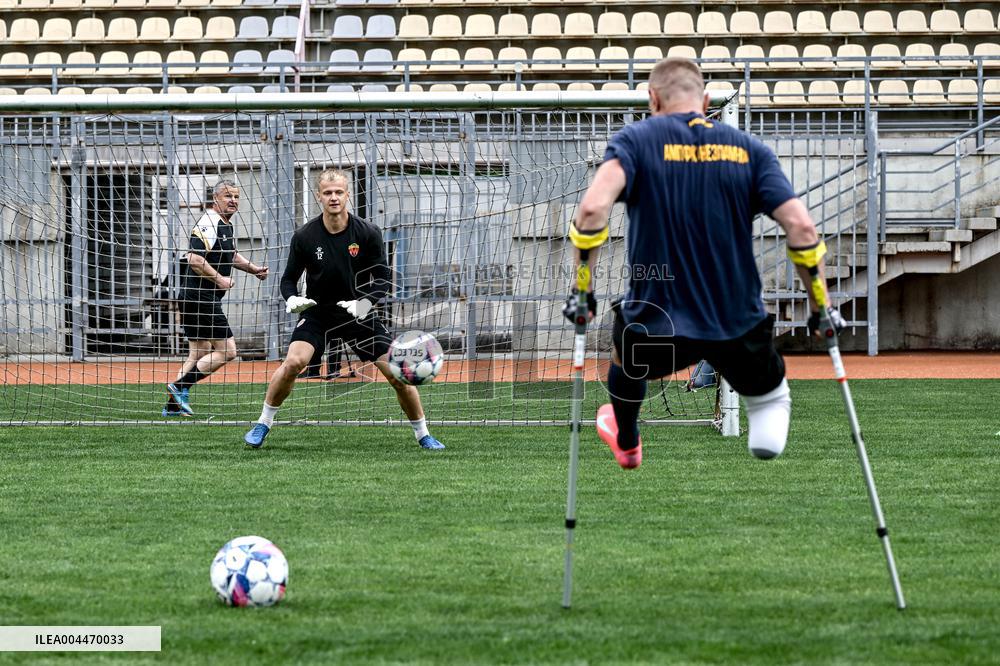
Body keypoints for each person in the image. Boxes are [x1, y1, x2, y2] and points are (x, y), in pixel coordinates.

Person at [564, 57, 844, 468]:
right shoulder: (750, 150)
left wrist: (582, 291)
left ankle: (627, 438)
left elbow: (590, 213)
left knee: (626, 354)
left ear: (652, 99)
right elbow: (801, 227)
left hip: (657, 322)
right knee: (765, 397)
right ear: (706, 100)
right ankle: (767, 417)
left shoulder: (636, 140)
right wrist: (821, 307)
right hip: (738, 323)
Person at [243, 168, 445, 450]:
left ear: (348, 195)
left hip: (358, 314)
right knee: (293, 363)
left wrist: (364, 303)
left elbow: (384, 278)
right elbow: (288, 279)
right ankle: (263, 423)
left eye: (339, 192)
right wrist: (290, 298)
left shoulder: (368, 232)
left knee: (397, 373)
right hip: (318, 313)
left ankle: (423, 434)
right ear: (319, 197)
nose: (334, 197)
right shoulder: (304, 236)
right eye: (328, 193)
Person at [164, 179, 269, 416]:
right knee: (228, 351)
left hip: (194, 298)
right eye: (227, 196)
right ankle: (179, 386)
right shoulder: (209, 221)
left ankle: (173, 406)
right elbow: (194, 259)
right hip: (201, 298)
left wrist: (254, 269)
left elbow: (230, 255)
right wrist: (219, 279)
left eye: (236, 196)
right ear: (216, 199)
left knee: (199, 353)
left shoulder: (224, 224)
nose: (233, 201)